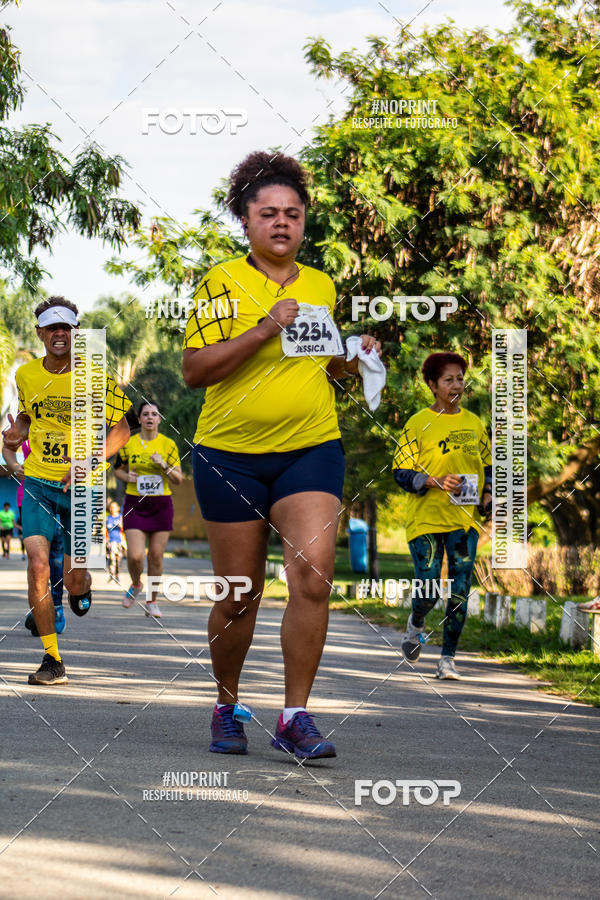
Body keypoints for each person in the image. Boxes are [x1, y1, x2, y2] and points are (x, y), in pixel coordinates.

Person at [182, 150, 381, 758]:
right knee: (239, 593)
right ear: (245, 220)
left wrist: (355, 358)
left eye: (292, 214)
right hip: (229, 455)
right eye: (268, 213)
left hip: (310, 448)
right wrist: (265, 327)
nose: (281, 223)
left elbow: (321, 362)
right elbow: (194, 371)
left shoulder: (320, 284)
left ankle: (295, 717)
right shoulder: (219, 283)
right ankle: (226, 706)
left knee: (313, 576)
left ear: (304, 222)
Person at [1, 296, 131, 685]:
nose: (59, 333)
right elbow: (28, 416)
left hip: (83, 488)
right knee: (38, 566)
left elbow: (121, 430)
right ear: (40, 333)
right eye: (52, 327)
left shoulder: (97, 376)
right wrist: (16, 433)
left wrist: (90, 462)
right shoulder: (26, 375)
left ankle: (79, 589)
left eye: (66, 327)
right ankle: (52, 659)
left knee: (75, 579)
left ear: (76, 333)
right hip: (39, 482)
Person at [392, 352, 492, 680]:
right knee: (429, 588)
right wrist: (434, 481)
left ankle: (447, 659)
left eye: (460, 379)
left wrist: (488, 494)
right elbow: (400, 472)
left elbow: (489, 466)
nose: (456, 385)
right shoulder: (417, 423)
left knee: (461, 587)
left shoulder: (475, 423)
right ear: (433, 385)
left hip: (464, 521)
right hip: (426, 520)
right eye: (448, 380)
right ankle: (416, 623)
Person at [113, 401, 182, 618]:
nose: (150, 417)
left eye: (154, 414)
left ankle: (152, 600)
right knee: (135, 557)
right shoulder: (129, 443)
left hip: (161, 505)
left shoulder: (168, 445)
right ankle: (136, 584)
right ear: (140, 419)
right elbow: (117, 470)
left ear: (159, 419)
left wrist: (164, 465)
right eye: (146, 414)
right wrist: (128, 477)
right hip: (135, 504)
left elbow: (178, 479)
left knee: (156, 556)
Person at [5, 441, 66, 634]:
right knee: (37, 559)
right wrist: (15, 466)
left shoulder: (67, 427)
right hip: (29, 496)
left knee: (56, 555)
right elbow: (8, 448)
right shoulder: (25, 427)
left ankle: (57, 606)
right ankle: (40, 607)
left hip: (61, 495)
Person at [105, 500, 126, 582]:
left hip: (119, 541)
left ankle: (117, 575)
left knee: (118, 559)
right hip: (110, 541)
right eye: (111, 507)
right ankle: (111, 575)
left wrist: (121, 525)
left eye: (114, 507)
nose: (112, 509)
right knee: (111, 558)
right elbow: (105, 529)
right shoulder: (108, 518)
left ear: (118, 508)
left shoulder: (121, 517)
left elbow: (126, 528)